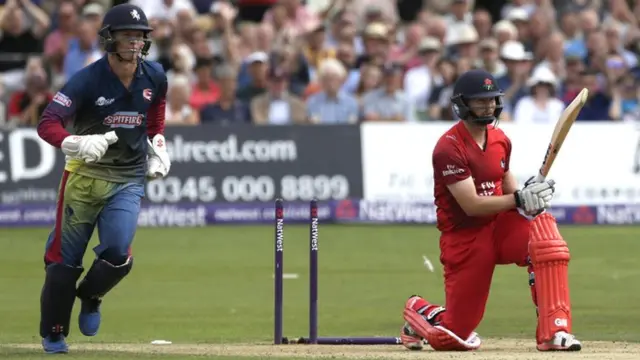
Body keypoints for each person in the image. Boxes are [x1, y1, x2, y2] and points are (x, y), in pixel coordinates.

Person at [399, 69, 582, 352]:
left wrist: (531, 198)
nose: (488, 106)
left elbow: (509, 190)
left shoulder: (500, 139)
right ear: (462, 104)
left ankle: (554, 331)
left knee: (546, 237)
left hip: (500, 226)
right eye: (479, 101)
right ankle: (418, 310)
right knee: (454, 337)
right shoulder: (448, 148)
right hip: (465, 237)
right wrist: (519, 199)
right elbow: (471, 205)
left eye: (492, 100)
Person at [36, 4, 171, 354]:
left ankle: (91, 295)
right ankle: (54, 333)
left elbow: (155, 116)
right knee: (64, 262)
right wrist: (76, 142)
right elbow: (47, 122)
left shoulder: (154, 75)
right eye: (128, 36)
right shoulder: (87, 80)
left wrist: (158, 145)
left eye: (140, 37)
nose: (135, 44)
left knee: (118, 253)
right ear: (109, 39)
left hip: (127, 176)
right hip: (83, 178)